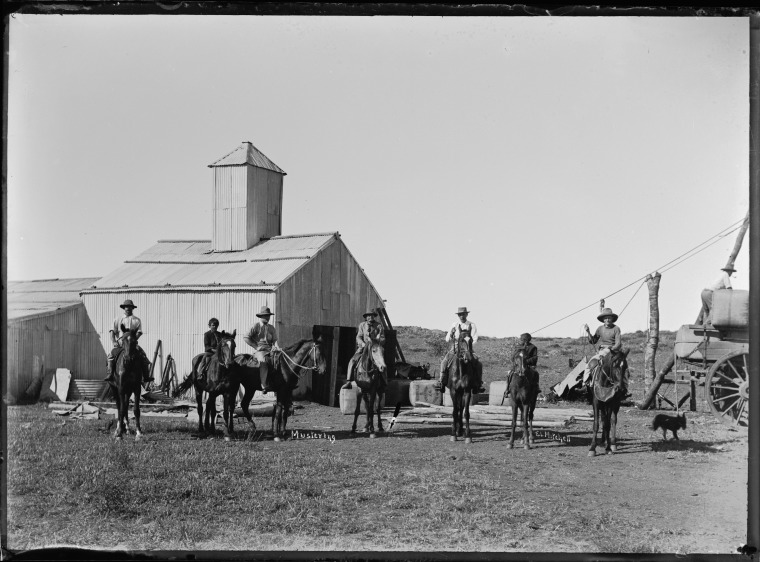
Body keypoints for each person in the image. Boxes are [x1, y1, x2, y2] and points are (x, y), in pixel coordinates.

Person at [104, 299, 153, 384]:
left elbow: (139, 332)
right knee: (111, 355)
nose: (128, 309)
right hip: (120, 343)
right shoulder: (118, 319)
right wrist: (114, 341)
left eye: (130, 307)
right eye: (126, 307)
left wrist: (133, 340)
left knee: (143, 356)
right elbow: (112, 331)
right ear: (124, 308)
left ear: (132, 308)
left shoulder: (136, 320)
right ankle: (110, 373)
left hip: (132, 343)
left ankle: (146, 376)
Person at [438, 307, 485, 393]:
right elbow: (447, 339)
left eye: (463, 314)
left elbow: (475, 338)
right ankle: (441, 382)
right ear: (458, 316)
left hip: (468, 348)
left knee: (478, 364)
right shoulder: (454, 325)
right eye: (460, 315)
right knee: (444, 362)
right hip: (456, 347)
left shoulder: (472, 325)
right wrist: (451, 334)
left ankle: (478, 383)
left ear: (466, 314)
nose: (461, 316)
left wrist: (469, 346)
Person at [584, 307, 628, 396]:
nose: (607, 320)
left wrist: (611, 349)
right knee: (589, 364)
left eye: (609, 318)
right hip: (601, 351)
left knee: (623, 368)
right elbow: (593, 341)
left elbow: (618, 344)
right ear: (603, 320)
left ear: (612, 319)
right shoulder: (600, 329)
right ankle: (586, 383)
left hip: (613, 351)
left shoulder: (616, 329)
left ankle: (624, 387)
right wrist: (588, 332)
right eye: (605, 318)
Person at [342, 311, 386, 389]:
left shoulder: (379, 325)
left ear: (374, 316)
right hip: (364, 347)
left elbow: (383, 338)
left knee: (382, 362)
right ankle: (349, 381)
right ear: (366, 317)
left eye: (372, 316)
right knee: (352, 360)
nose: (370, 317)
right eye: (368, 316)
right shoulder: (362, 325)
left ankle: (384, 382)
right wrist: (362, 343)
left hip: (374, 347)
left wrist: (377, 340)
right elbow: (358, 336)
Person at [244, 306, 278, 393]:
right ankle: (264, 385)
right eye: (266, 316)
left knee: (280, 359)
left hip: (270, 350)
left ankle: (277, 382)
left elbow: (274, 341)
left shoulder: (271, 328)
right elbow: (246, 337)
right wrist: (256, 347)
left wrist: (275, 347)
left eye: (269, 316)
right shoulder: (256, 326)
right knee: (263, 361)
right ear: (261, 316)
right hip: (260, 351)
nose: (268, 318)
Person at [197, 318, 230, 383]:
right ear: (209, 326)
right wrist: (215, 350)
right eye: (213, 325)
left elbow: (224, 342)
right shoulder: (207, 334)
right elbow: (207, 346)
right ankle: (200, 373)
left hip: (220, 353)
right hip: (210, 352)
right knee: (204, 359)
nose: (215, 327)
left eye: (216, 325)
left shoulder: (220, 334)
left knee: (228, 358)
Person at [505, 332, 538, 397]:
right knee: (509, 373)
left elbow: (535, 358)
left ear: (527, 340)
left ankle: (536, 388)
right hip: (518, 366)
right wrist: (518, 359)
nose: (522, 341)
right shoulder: (518, 347)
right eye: (522, 339)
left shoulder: (533, 347)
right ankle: (507, 389)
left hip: (528, 366)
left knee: (536, 373)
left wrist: (526, 361)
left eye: (523, 339)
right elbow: (513, 357)